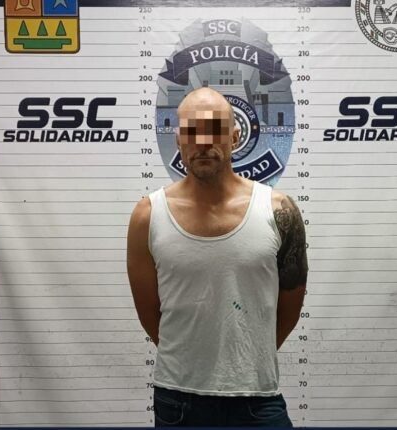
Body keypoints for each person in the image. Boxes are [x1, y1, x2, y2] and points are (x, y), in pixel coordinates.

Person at [126, 88, 308, 426]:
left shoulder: (279, 210)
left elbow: (290, 304)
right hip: (178, 400)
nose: (203, 142)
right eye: (192, 131)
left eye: (215, 129)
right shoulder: (148, 216)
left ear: (235, 136)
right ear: (178, 139)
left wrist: (248, 358)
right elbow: (151, 313)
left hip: (258, 397)